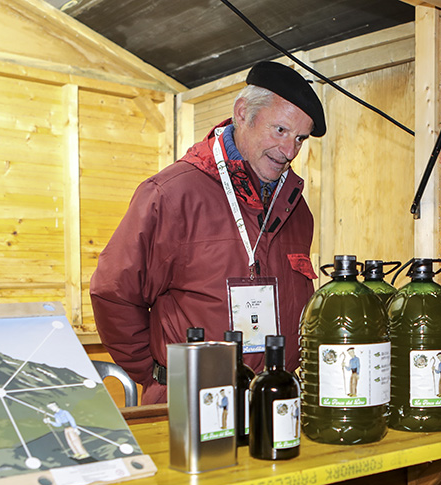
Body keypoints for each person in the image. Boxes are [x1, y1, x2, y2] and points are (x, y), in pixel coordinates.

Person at [90, 61, 325, 404]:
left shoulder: (296, 209)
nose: (289, 151)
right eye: (280, 131)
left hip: (273, 405)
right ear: (243, 113)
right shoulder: (170, 195)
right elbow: (113, 293)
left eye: (300, 139)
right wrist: (162, 374)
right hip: (192, 403)